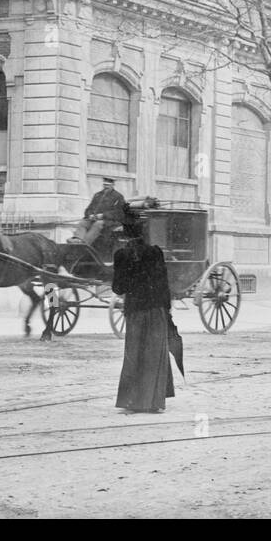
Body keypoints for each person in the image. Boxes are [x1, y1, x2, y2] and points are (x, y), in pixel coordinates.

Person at [112, 208, 175, 414]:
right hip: (156, 310)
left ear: (125, 235)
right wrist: (166, 310)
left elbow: (118, 288)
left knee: (134, 355)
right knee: (154, 355)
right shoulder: (156, 252)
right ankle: (154, 402)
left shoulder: (121, 255)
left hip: (136, 311)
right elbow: (165, 285)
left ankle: (132, 402)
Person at [73, 177, 127, 246]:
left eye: (108, 185)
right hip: (94, 219)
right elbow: (88, 209)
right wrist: (90, 215)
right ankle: (77, 241)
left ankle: (84, 245)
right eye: (104, 185)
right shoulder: (97, 195)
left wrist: (103, 215)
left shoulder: (118, 196)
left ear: (113, 185)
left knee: (98, 224)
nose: (106, 187)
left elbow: (119, 213)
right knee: (83, 223)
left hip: (110, 222)